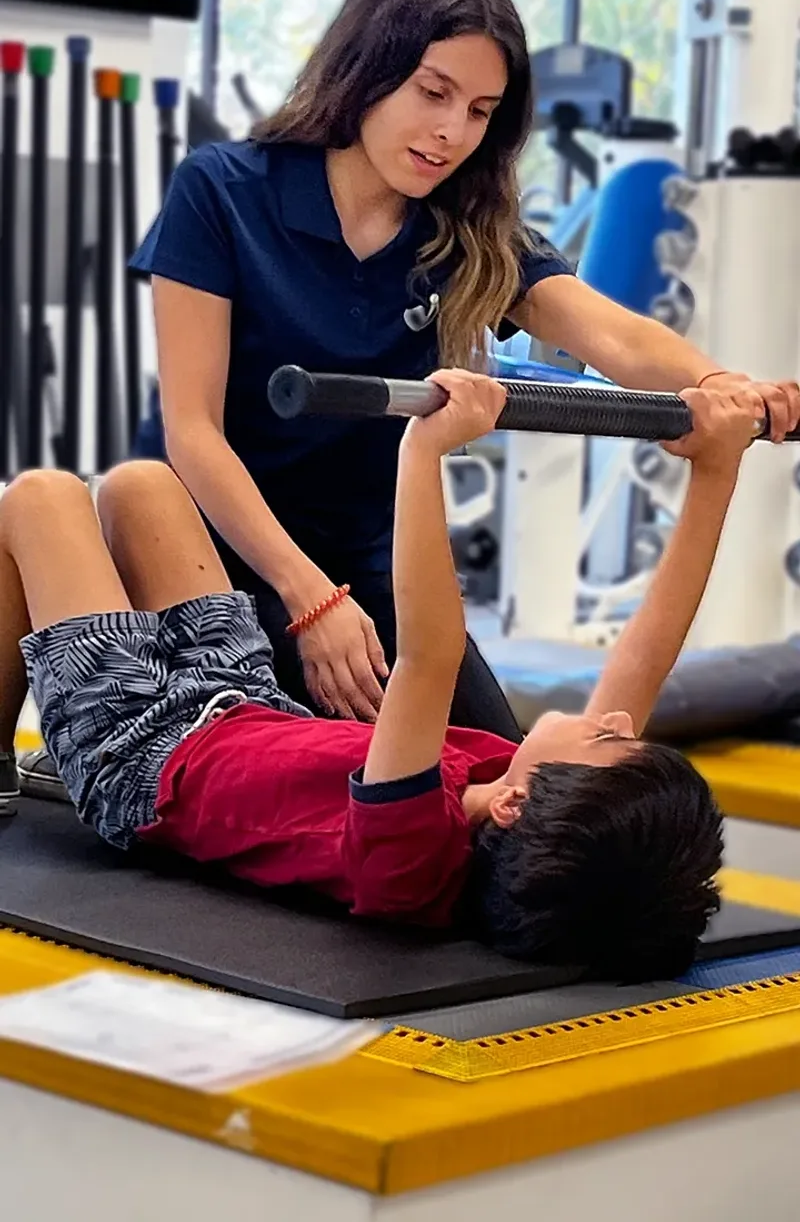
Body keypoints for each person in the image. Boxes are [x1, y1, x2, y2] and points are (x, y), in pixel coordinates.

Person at [107, 0, 800, 731]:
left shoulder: (463, 227)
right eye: (433, 93)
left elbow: (609, 331)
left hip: (369, 559)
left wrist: (721, 385)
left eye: (479, 112)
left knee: (500, 785)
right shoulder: (223, 191)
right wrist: (309, 599)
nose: (450, 132)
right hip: (211, 548)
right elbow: (192, 434)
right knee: (294, 788)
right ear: (368, 71)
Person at [0, 374, 753, 980]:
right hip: (239, 698)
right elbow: (646, 656)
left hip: (138, 755)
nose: (620, 721)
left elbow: (430, 654)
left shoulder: (411, 856)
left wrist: (423, 452)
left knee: (39, 499)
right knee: (142, 487)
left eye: (612, 741)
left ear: (523, 805)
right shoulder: (512, 782)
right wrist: (718, 471)